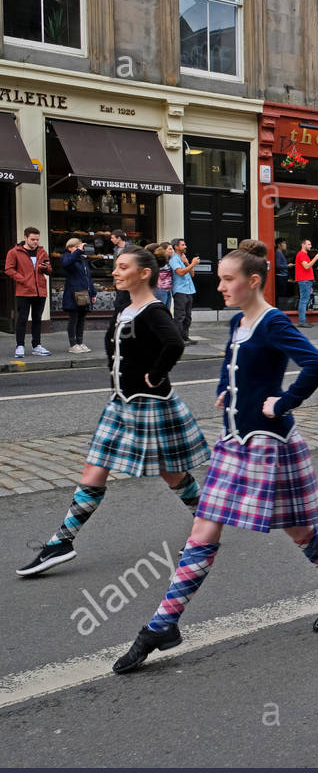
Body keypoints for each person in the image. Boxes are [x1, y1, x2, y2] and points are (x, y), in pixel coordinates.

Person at [112, 240, 318, 673]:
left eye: (228, 280)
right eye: (220, 278)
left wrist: (283, 402)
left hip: (269, 444)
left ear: (254, 281)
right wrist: (226, 390)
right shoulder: (239, 323)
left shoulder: (273, 323)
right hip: (233, 440)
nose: (220, 287)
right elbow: (231, 360)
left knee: (299, 530)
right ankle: (163, 624)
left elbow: (317, 364)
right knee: (203, 531)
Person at [17, 246, 209, 576]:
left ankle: (207, 525)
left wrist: (157, 373)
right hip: (121, 404)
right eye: (116, 267)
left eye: (123, 267)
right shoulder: (127, 308)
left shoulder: (152, 310)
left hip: (149, 405)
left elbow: (174, 343)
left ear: (144, 273)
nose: (116, 272)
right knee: (94, 471)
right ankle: (61, 542)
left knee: (172, 474)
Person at [4, 227, 53, 358]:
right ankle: (20, 346)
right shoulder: (14, 252)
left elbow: (49, 270)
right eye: (32, 239)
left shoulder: (42, 251)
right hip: (24, 291)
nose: (35, 242)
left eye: (37, 239)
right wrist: (23, 279)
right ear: (25, 238)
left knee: (37, 319)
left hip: (40, 291)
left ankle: (37, 345)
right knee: (22, 319)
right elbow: (8, 269)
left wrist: (45, 268)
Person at [60, 236, 97, 354]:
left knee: (81, 319)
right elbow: (66, 263)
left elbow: (88, 277)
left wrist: (93, 293)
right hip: (73, 293)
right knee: (73, 319)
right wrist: (78, 251)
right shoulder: (66, 257)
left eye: (80, 247)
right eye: (76, 247)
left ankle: (80, 342)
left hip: (85, 293)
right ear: (70, 248)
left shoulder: (83, 259)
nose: (80, 249)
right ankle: (73, 344)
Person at [169, 238, 199, 343]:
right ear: (176, 246)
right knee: (179, 315)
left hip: (189, 290)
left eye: (185, 244)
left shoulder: (183, 258)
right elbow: (180, 273)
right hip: (180, 290)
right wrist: (193, 264)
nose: (185, 246)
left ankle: (185, 336)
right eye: (182, 245)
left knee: (188, 316)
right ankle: (178, 338)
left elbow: (192, 274)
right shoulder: (174, 259)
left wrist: (187, 263)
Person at [294, 239, 318, 327]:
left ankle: (302, 320)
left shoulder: (304, 254)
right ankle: (302, 321)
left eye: (310, 244)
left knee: (304, 300)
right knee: (304, 300)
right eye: (308, 244)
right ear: (303, 245)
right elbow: (306, 266)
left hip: (306, 281)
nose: (310, 246)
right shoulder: (302, 254)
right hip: (304, 280)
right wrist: (316, 258)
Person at [152, 242, 174, 312]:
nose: (172, 251)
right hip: (160, 289)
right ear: (164, 250)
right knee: (161, 310)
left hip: (168, 289)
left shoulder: (169, 261)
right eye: (170, 249)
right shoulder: (159, 261)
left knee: (167, 310)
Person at [275, 238, 290, 303]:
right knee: (281, 294)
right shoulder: (278, 253)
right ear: (279, 245)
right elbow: (277, 265)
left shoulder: (280, 252)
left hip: (283, 276)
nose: (285, 245)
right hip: (281, 276)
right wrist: (287, 266)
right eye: (284, 243)